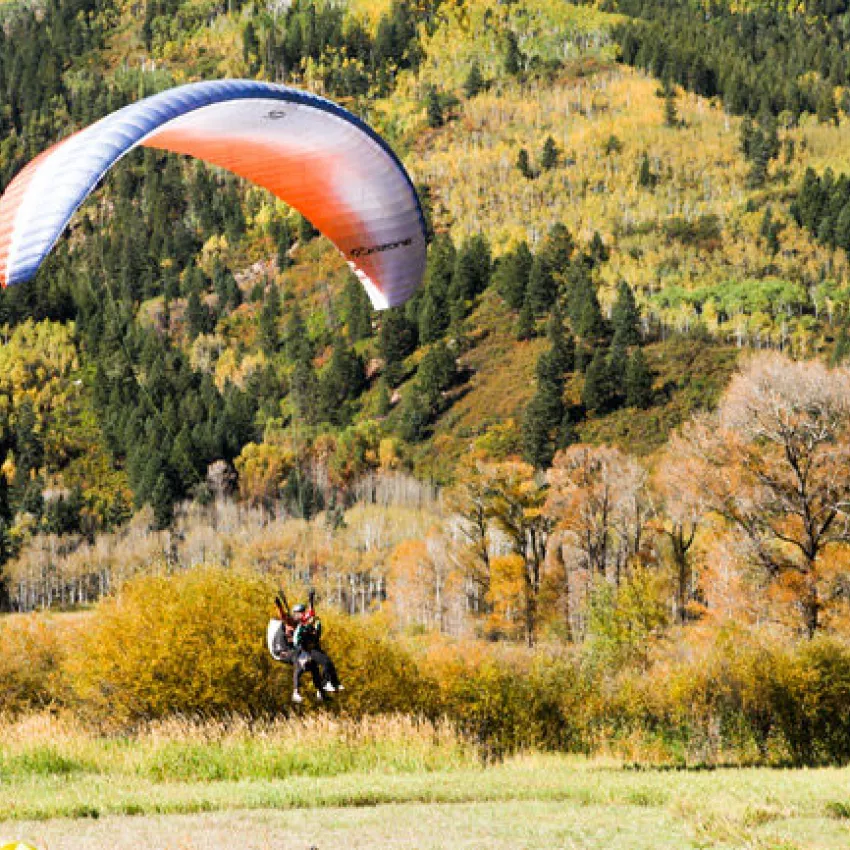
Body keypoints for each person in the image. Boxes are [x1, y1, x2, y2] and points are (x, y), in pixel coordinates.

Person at [271, 597, 324, 704]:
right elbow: (282, 615)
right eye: (298, 613)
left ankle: (320, 690)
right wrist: (279, 605)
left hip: (299, 651)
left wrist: (311, 601)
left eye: (301, 613)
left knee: (314, 666)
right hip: (285, 651)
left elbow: (311, 613)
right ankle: (296, 692)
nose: (300, 616)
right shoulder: (289, 622)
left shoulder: (304, 624)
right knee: (299, 662)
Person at [293, 599, 342, 694]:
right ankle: (325, 683)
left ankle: (334, 682)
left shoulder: (308, 619)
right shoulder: (301, 627)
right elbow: (297, 640)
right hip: (309, 651)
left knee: (329, 663)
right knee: (324, 663)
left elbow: (311, 613)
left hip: (315, 648)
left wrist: (311, 599)